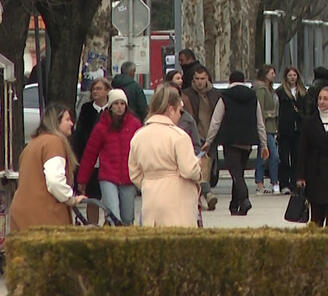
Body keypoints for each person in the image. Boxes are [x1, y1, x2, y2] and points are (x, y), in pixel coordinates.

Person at [129, 83, 202, 227]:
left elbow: (134, 173)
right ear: (171, 110)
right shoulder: (179, 136)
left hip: (150, 198)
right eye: (179, 110)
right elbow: (189, 170)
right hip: (178, 199)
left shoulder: (138, 136)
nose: (180, 115)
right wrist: (198, 166)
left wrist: (149, 182)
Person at [10, 104, 87, 232]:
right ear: (56, 122)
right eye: (67, 119)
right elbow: (55, 180)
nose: (72, 124)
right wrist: (70, 198)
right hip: (43, 215)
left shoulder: (32, 144)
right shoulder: (54, 143)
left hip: (22, 213)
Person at [204, 70, 269, 216]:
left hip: (230, 140)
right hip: (247, 141)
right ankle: (234, 205)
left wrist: (209, 141)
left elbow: (216, 121)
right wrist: (264, 144)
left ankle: (244, 199)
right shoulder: (253, 96)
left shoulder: (225, 96)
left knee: (236, 174)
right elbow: (260, 122)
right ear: (244, 80)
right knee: (238, 172)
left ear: (230, 81)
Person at [77, 89, 142, 225]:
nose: (119, 107)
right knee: (113, 215)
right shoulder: (101, 127)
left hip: (128, 176)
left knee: (128, 217)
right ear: (110, 106)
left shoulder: (135, 124)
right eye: (116, 104)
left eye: (122, 104)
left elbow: (142, 150)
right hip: (108, 176)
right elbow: (90, 154)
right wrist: (82, 180)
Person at [296, 86, 328, 227]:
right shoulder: (308, 122)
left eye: (325, 98)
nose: (321, 101)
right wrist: (300, 175)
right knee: (316, 217)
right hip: (314, 172)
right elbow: (302, 150)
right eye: (319, 98)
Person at [181, 65, 221, 209]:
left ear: (207, 79)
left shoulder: (214, 94)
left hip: (211, 135)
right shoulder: (187, 94)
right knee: (199, 167)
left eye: (202, 78)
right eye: (197, 78)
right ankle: (206, 194)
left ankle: (204, 194)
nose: (199, 82)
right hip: (195, 136)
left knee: (210, 168)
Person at [73, 77, 110, 225]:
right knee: (92, 197)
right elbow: (80, 134)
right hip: (91, 161)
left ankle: (109, 224)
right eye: (94, 89)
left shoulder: (112, 109)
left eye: (99, 89)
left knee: (109, 198)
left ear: (107, 91)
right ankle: (92, 226)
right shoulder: (87, 109)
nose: (95, 92)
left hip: (108, 161)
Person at [276, 66, 306, 194]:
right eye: (290, 75)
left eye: (294, 75)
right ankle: (284, 183)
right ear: (286, 77)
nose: (292, 78)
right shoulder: (280, 92)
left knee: (297, 158)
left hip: (298, 129)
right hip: (285, 129)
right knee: (284, 158)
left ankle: (294, 183)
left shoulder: (303, 92)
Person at [254, 64, 280, 194]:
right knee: (273, 155)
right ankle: (273, 181)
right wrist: (269, 115)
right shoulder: (261, 89)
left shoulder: (271, 90)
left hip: (272, 127)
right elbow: (259, 109)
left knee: (263, 154)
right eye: (271, 73)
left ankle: (260, 182)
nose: (274, 76)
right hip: (265, 127)